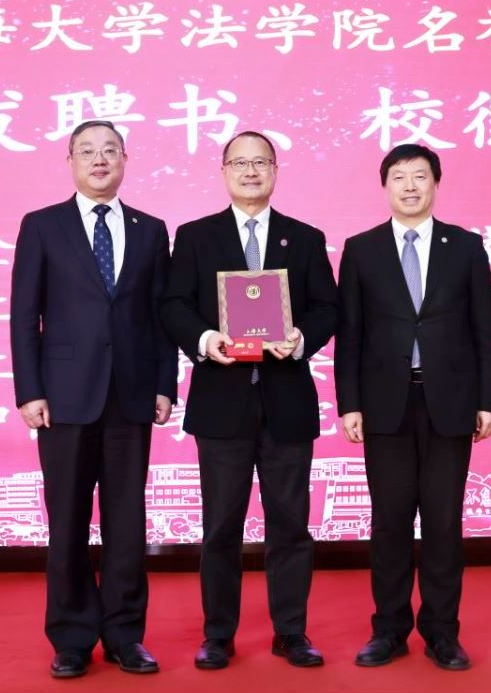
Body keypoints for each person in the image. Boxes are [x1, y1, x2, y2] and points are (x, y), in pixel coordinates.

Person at [159, 131, 339, 670]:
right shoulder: (196, 236)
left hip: (287, 404)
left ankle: (291, 632)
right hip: (221, 405)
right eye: (240, 163)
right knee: (220, 527)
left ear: (276, 170)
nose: (251, 171)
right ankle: (218, 635)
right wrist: (205, 340)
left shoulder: (303, 238)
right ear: (224, 172)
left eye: (261, 162)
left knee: (291, 526)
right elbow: (173, 305)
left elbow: (328, 308)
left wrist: (301, 338)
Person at [9, 120, 177, 679]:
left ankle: (126, 636)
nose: (99, 159)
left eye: (109, 150)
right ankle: (72, 637)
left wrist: (164, 384)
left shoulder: (151, 230)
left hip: (131, 395)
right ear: (71, 161)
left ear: (125, 160)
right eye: (88, 151)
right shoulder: (42, 226)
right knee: (68, 522)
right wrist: (29, 390)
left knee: (128, 522)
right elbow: (23, 315)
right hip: (63, 398)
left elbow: (159, 317)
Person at [335, 143, 491, 672]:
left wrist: (488, 400)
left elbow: (486, 329)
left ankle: (442, 633)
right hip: (384, 403)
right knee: (389, 522)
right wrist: (349, 403)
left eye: (420, 176)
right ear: (385, 186)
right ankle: (388, 630)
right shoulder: (361, 249)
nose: (410, 186)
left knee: (443, 522)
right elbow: (350, 335)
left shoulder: (466, 247)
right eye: (400, 177)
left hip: (449, 403)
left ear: (436, 183)